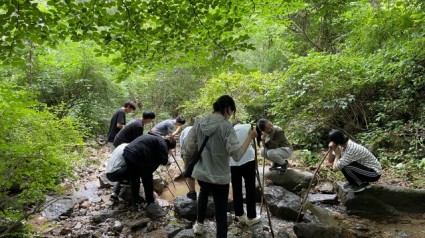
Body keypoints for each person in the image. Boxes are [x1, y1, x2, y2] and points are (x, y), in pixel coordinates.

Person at [184, 95, 257, 237]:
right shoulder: (226, 127)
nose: (230, 115)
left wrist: (190, 164)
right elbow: (236, 155)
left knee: (203, 194)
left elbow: (188, 148)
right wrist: (250, 137)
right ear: (227, 108)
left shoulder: (199, 122)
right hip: (220, 178)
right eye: (231, 111)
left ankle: (199, 225)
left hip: (202, 174)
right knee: (221, 214)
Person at [123, 133, 176, 210]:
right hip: (137, 154)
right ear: (170, 147)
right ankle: (150, 202)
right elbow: (164, 161)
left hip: (127, 152)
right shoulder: (164, 145)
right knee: (147, 178)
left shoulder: (158, 139)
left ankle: (134, 205)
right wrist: (168, 154)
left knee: (134, 180)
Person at [230, 121, 261, 226]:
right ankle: (251, 216)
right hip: (248, 160)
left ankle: (240, 215)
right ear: (241, 123)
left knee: (236, 188)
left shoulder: (229, 130)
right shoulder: (249, 127)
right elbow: (253, 142)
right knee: (250, 188)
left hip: (233, 162)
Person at [180, 126, 197, 200]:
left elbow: (181, 142)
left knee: (189, 170)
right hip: (202, 150)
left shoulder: (186, 129)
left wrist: (182, 153)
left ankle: (192, 192)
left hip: (188, 151)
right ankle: (207, 190)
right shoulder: (205, 129)